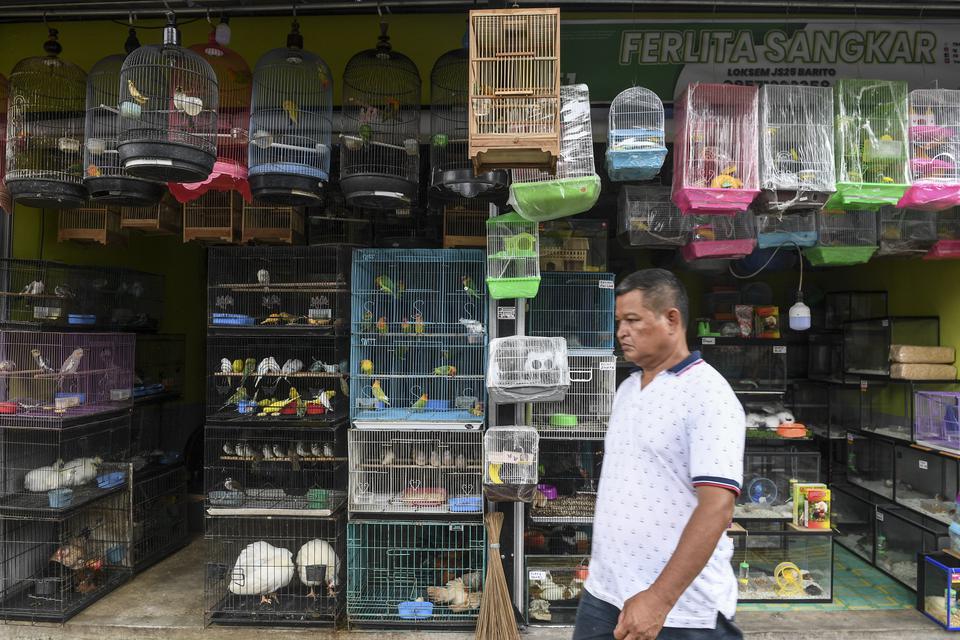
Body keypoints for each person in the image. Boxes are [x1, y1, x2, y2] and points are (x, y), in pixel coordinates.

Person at [574, 269, 745, 640]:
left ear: (671, 320)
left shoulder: (709, 395)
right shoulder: (628, 389)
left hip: (679, 611)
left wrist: (659, 599)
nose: (622, 331)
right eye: (619, 321)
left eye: (633, 320)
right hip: (605, 594)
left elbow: (717, 507)